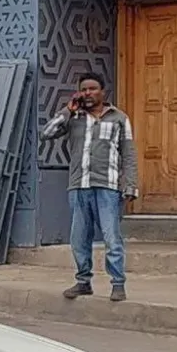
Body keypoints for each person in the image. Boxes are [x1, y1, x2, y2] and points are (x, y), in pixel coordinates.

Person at [41, 73, 139, 303]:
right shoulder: (73, 118)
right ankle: (83, 282)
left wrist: (130, 185)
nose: (88, 93)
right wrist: (67, 111)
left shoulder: (119, 118)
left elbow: (129, 154)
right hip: (79, 185)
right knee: (79, 238)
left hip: (108, 186)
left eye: (93, 88)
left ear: (103, 91)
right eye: (84, 89)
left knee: (111, 237)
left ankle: (117, 284)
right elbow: (46, 134)